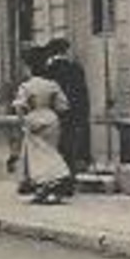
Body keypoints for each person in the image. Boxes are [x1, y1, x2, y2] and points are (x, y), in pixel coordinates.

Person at [12, 50, 72, 205]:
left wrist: (23, 121)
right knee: (50, 150)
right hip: (51, 119)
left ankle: (54, 178)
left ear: (30, 68)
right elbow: (63, 106)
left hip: (34, 118)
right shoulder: (52, 85)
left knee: (38, 156)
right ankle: (46, 187)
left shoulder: (27, 86)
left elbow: (19, 106)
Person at [43, 38, 92, 184]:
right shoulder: (76, 68)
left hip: (54, 115)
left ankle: (56, 180)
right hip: (73, 115)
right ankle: (69, 178)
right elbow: (83, 95)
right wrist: (82, 115)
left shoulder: (49, 71)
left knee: (54, 148)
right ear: (65, 51)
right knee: (69, 147)